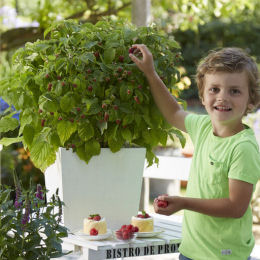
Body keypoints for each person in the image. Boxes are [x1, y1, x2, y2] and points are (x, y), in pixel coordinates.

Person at [129, 45, 260, 260]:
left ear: (251, 101)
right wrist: (150, 73)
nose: (222, 97)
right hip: (190, 251)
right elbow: (173, 112)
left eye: (234, 91)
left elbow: (235, 206)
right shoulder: (203, 127)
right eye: (214, 89)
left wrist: (184, 202)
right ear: (202, 95)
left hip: (224, 256)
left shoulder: (243, 147)